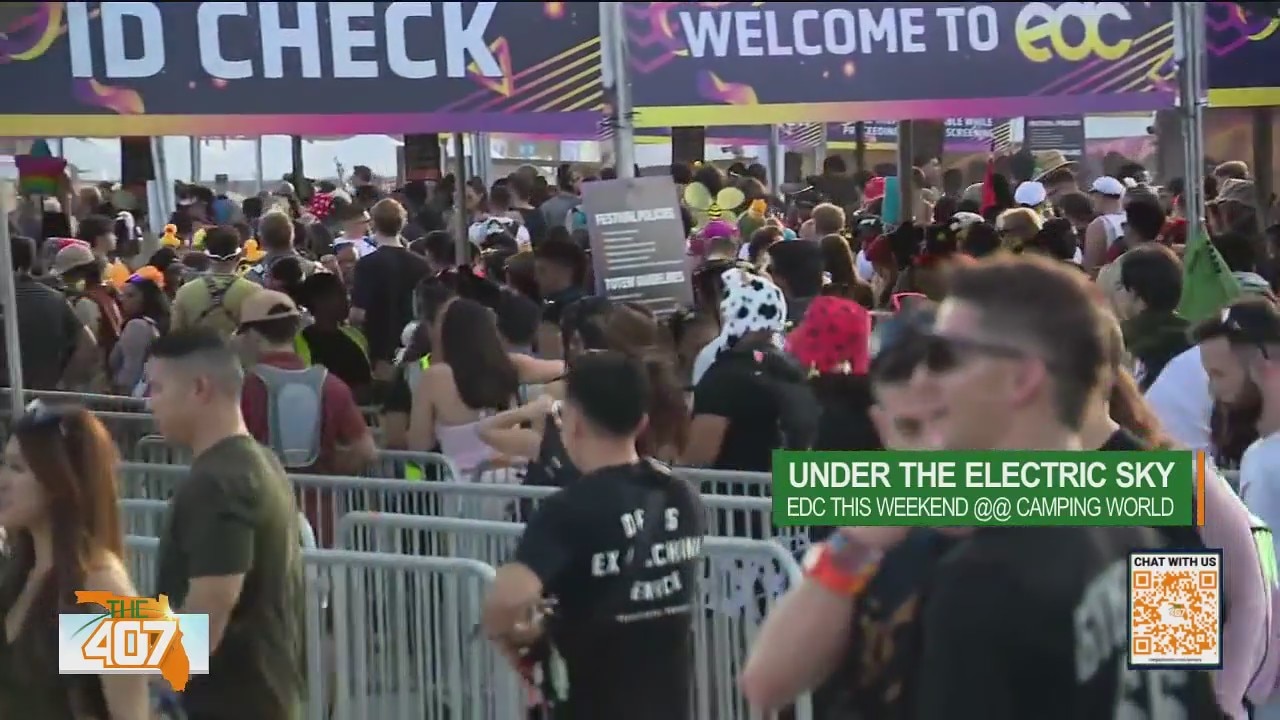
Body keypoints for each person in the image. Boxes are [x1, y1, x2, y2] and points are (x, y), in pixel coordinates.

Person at [903, 255, 1220, 718]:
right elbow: (1185, 685)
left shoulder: (982, 583)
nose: (924, 380)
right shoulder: (1138, 520)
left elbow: (1183, 666)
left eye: (945, 358)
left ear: (1022, 377)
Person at [482, 352, 705, 720]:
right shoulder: (681, 496)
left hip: (591, 702)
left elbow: (504, 602)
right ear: (642, 422)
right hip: (670, 703)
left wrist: (522, 636)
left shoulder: (568, 510)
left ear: (573, 423)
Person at [145, 329, 305, 720]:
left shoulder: (218, 482)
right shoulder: (257, 463)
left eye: (157, 388)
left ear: (199, 388)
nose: (149, 402)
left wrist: (140, 698)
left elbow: (206, 618)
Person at [0, 404, 148, 719]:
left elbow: (130, 714)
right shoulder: (19, 571)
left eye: (17, 468)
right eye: (4, 464)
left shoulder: (100, 584)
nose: (2, 480)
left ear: (58, 479)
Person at [236, 289, 374, 477]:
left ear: (252, 334)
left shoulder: (242, 389)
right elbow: (365, 450)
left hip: (261, 493)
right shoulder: (332, 386)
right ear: (295, 330)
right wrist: (328, 472)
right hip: (320, 495)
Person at [349, 198, 432, 381]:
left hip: (380, 351)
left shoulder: (367, 264)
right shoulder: (423, 265)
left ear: (373, 224)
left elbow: (358, 314)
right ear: (403, 223)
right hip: (416, 349)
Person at [2, 235, 96, 390]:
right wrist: (63, 387)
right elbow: (88, 345)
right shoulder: (56, 299)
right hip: (43, 394)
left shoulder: (53, 298)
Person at [1113, 244, 1190, 390]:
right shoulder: (1197, 339)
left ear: (1136, 294)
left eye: (1119, 287)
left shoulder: (1119, 343)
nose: (1115, 295)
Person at [170, 225, 259, 338]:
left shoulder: (185, 292)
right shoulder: (254, 292)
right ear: (239, 256)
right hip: (239, 349)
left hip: (199, 349)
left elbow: (175, 336)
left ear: (207, 256)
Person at [297, 272, 372, 400]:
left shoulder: (355, 336)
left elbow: (366, 381)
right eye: (341, 295)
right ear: (319, 301)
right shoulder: (300, 343)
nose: (347, 300)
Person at [110, 269, 169, 394]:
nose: (123, 300)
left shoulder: (137, 326)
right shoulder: (155, 324)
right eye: (123, 295)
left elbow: (131, 369)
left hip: (132, 396)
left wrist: (120, 396)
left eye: (131, 295)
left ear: (146, 299)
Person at [1081, 176, 1128, 272]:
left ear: (1100, 196)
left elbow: (1090, 267)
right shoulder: (1132, 218)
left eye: (1093, 195)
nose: (1092, 199)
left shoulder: (1099, 224)